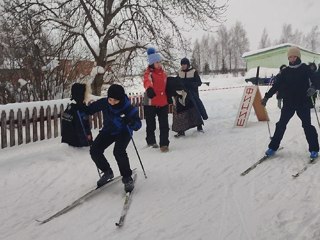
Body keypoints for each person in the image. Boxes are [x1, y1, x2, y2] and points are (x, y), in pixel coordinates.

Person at [261, 46, 319, 159]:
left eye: (294, 56)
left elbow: (316, 80)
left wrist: (313, 87)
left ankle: (314, 149)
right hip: (289, 103)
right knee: (281, 125)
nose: (292, 59)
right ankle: (273, 147)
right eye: (290, 57)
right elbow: (276, 85)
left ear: (298, 56)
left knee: (307, 126)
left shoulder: (305, 68)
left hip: (303, 103)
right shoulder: (285, 71)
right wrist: (267, 97)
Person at [86, 84, 142, 192]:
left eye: (115, 100)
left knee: (118, 151)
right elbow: (90, 109)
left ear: (120, 99)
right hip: (109, 130)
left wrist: (130, 121)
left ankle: (127, 178)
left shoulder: (128, 108)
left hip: (124, 132)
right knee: (95, 150)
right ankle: (107, 172)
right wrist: (79, 108)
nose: (112, 102)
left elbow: (138, 125)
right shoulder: (105, 102)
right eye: (110, 99)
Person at [143, 47, 170, 152]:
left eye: (159, 62)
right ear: (152, 63)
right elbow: (147, 81)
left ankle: (164, 144)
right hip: (151, 102)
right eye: (156, 62)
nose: (159, 64)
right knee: (151, 124)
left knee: (164, 124)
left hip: (163, 102)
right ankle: (151, 141)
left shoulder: (164, 73)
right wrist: (149, 88)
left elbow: (167, 85)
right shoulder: (148, 73)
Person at [173, 57, 208, 137]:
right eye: (182, 64)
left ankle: (199, 127)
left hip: (193, 95)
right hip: (182, 95)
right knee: (181, 112)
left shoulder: (193, 71)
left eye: (184, 64)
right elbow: (177, 82)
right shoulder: (179, 72)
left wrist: (191, 84)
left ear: (188, 64)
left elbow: (199, 82)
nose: (183, 66)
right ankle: (181, 130)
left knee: (195, 110)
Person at [61, 83, 93, 147]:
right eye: (86, 94)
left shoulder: (70, 108)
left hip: (69, 144)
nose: (88, 96)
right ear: (81, 95)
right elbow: (82, 128)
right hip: (77, 145)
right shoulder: (78, 110)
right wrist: (88, 140)